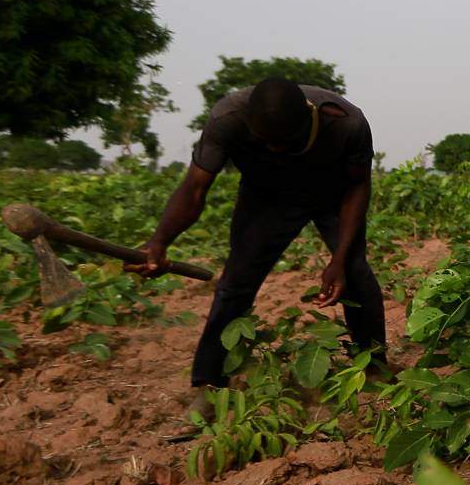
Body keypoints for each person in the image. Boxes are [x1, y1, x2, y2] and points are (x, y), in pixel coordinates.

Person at [132, 78, 385, 412]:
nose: (277, 150)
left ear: (310, 119)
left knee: (354, 273)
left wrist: (339, 259)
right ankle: (210, 383)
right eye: (267, 143)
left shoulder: (346, 123)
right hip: (267, 199)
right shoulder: (228, 119)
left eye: (288, 142)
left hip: (333, 197)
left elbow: (357, 187)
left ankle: (375, 366)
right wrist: (159, 242)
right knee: (236, 282)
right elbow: (194, 189)